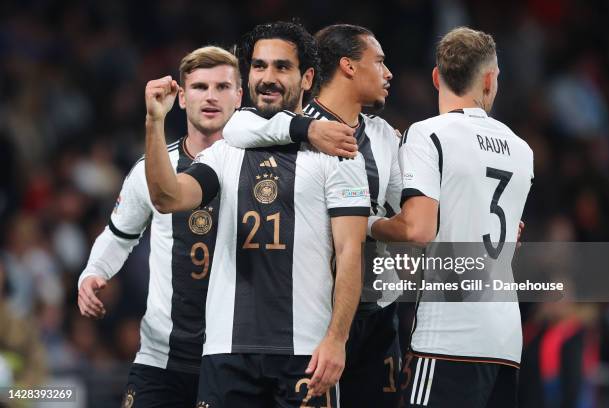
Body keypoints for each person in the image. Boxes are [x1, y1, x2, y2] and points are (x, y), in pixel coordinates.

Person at [143, 21, 370, 407]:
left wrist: (336, 339)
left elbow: (351, 253)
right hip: (226, 351)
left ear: (308, 77)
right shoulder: (224, 153)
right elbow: (168, 198)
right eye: (260, 66)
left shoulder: (338, 153)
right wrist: (154, 122)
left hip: (306, 351)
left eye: (282, 67)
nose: (268, 77)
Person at [222, 24, 403, 407]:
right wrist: (309, 130)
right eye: (380, 62)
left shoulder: (386, 136)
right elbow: (237, 124)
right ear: (349, 67)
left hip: (378, 311)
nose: (388, 73)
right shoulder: (292, 123)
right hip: (314, 314)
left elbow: (410, 216)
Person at [370, 27, 534, 408]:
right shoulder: (522, 149)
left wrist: (368, 223)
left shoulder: (430, 134)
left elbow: (419, 229)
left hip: (450, 335)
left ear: (435, 77)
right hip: (506, 339)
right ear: (490, 80)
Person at [77, 46, 242, 407]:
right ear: (181, 98)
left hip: (233, 356)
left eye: (222, 86)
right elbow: (119, 235)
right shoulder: (151, 168)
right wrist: (92, 273)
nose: (211, 96)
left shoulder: (258, 169)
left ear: (240, 97)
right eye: (199, 87)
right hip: (160, 356)